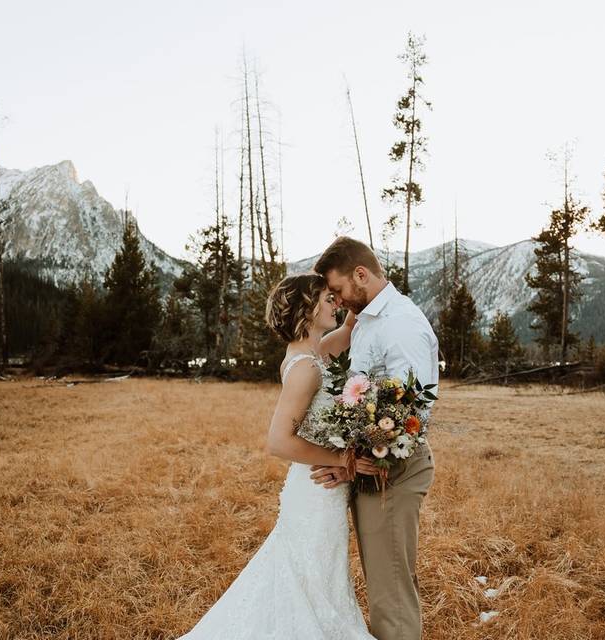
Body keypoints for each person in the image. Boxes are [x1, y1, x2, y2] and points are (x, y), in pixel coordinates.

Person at [177, 272, 375, 639]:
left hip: (323, 490)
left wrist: (357, 297)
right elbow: (278, 442)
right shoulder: (304, 368)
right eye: (326, 299)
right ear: (306, 308)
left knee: (316, 579)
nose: (334, 303)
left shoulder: (317, 351)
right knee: (308, 581)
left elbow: (347, 331)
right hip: (315, 489)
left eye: (334, 298)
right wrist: (343, 459)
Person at [309, 236, 439, 640]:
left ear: (360, 275)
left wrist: (365, 459)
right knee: (383, 587)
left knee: (391, 595)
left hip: (392, 472)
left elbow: (413, 412)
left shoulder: (400, 323)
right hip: (370, 469)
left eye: (339, 290)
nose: (338, 299)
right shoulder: (366, 319)